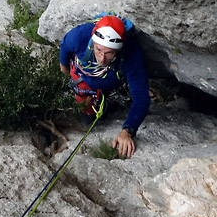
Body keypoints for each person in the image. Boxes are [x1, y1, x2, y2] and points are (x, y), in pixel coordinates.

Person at [59, 14, 150, 157]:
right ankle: (103, 105)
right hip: (84, 78)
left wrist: (128, 131)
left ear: (118, 49)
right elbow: (65, 45)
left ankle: (107, 98)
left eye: (109, 53)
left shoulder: (131, 54)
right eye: (98, 50)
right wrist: (63, 66)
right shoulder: (80, 35)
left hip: (111, 80)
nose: (102, 59)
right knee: (87, 119)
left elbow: (141, 97)